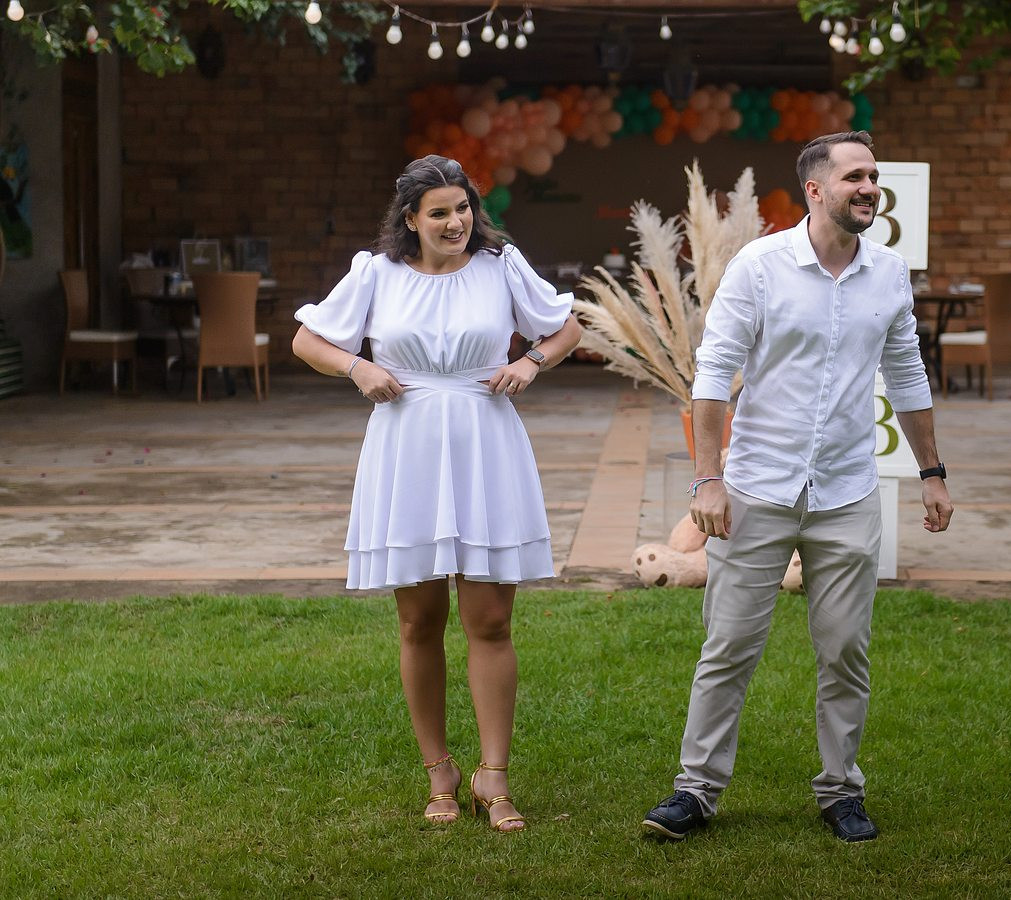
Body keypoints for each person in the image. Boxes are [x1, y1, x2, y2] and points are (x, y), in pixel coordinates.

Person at [642, 132, 952, 843]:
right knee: (728, 647)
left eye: (873, 176)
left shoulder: (888, 274)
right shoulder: (760, 267)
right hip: (756, 490)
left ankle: (841, 792)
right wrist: (708, 480)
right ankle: (695, 792)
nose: (869, 188)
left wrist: (932, 472)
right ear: (814, 190)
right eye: (854, 177)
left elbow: (907, 376)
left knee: (845, 651)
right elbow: (713, 374)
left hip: (847, 493)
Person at [292, 155, 581, 833]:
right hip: (406, 446)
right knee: (419, 621)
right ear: (411, 219)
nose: (457, 223)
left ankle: (494, 776)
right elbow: (307, 339)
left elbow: (567, 327)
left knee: (491, 620)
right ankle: (440, 771)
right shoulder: (376, 273)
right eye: (440, 213)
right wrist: (357, 366)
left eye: (464, 208)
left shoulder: (501, 266)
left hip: (487, 443)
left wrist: (530, 361)